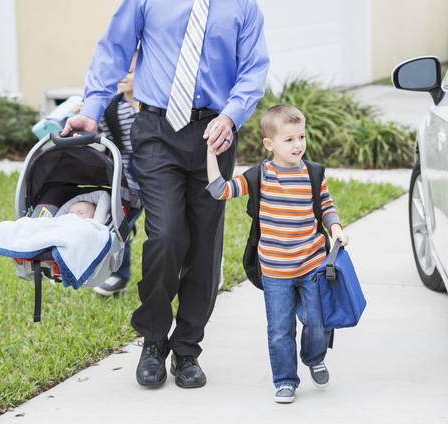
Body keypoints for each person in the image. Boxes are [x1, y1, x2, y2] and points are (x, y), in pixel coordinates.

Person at [61, 0, 270, 389]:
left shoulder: (243, 6)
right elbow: (114, 50)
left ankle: (188, 348)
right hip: (156, 129)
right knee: (166, 234)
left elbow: (253, 69)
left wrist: (232, 115)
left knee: (205, 243)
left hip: (215, 133)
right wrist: (92, 107)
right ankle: (154, 341)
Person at [205, 104, 350, 403]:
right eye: (289, 140)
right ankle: (285, 380)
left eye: (302, 137)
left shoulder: (313, 173)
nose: (298, 145)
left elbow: (326, 206)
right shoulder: (260, 176)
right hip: (275, 270)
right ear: (269, 144)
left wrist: (335, 228)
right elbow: (220, 190)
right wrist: (211, 155)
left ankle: (314, 357)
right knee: (281, 330)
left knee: (318, 322)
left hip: (312, 263)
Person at [92, 50, 144, 297]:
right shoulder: (112, 107)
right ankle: (118, 275)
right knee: (120, 226)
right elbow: (109, 143)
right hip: (127, 179)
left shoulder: (151, 106)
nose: (123, 76)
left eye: (130, 71)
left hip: (155, 175)